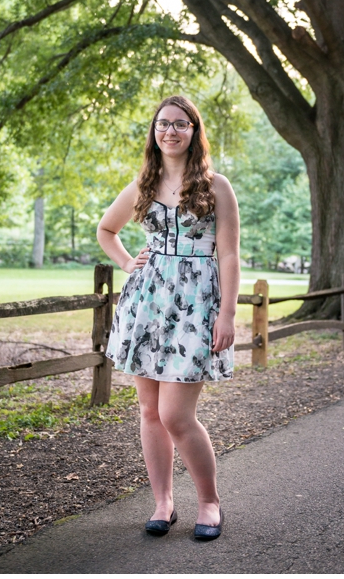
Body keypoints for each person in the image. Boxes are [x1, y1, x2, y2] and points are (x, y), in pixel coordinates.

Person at [98, 95, 240, 541]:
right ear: (154, 131)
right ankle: (163, 502)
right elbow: (107, 229)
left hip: (197, 307)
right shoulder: (144, 183)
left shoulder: (217, 187)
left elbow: (231, 254)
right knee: (149, 411)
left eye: (181, 124)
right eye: (164, 123)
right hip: (147, 305)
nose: (171, 131)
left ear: (195, 132)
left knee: (176, 415)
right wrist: (126, 264)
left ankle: (209, 502)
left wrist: (229, 315)